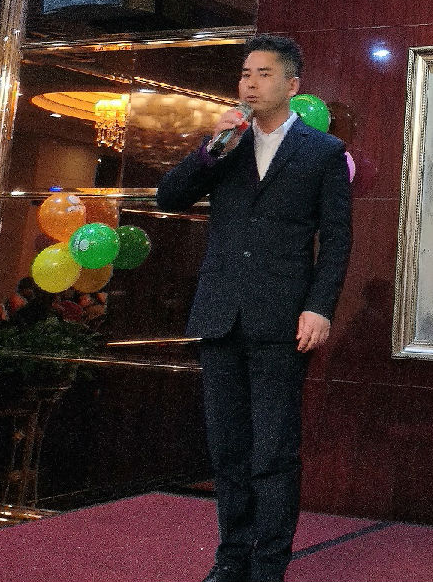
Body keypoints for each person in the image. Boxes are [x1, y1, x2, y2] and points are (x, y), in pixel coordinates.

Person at [158, 35, 351, 582]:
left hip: (283, 319)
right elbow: (169, 198)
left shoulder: (323, 152)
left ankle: (269, 565)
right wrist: (210, 148)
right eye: (245, 73)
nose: (250, 83)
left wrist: (319, 307)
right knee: (227, 448)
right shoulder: (227, 145)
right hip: (220, 313)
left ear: (292, 85)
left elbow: (337, 240)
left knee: (273, 450)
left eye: (263, 74)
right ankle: (232, 556)